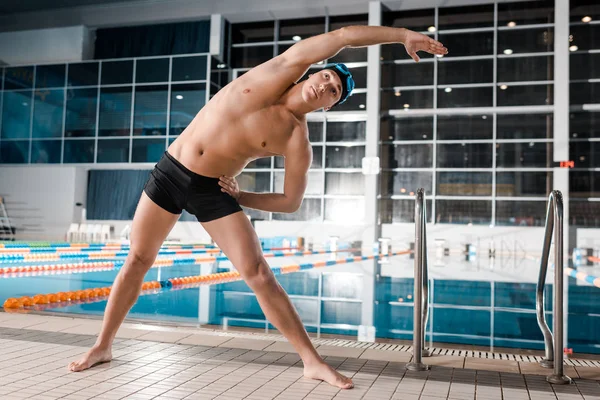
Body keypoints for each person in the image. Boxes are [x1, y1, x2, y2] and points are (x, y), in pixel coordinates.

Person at [68, 25, 447, 389]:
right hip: (171, 170)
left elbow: (290, 201)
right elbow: (343, 37)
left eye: (333, 92)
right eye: (326, 78)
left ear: (330, 106)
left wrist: (240, 197)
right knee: (137, 259)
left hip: (212, 190)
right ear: (312, 73)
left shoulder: (297, 139)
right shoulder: (277, 72)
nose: (325, 87)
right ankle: (103, 345)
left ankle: (312, 362)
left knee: (259, 274)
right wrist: (402, 36)